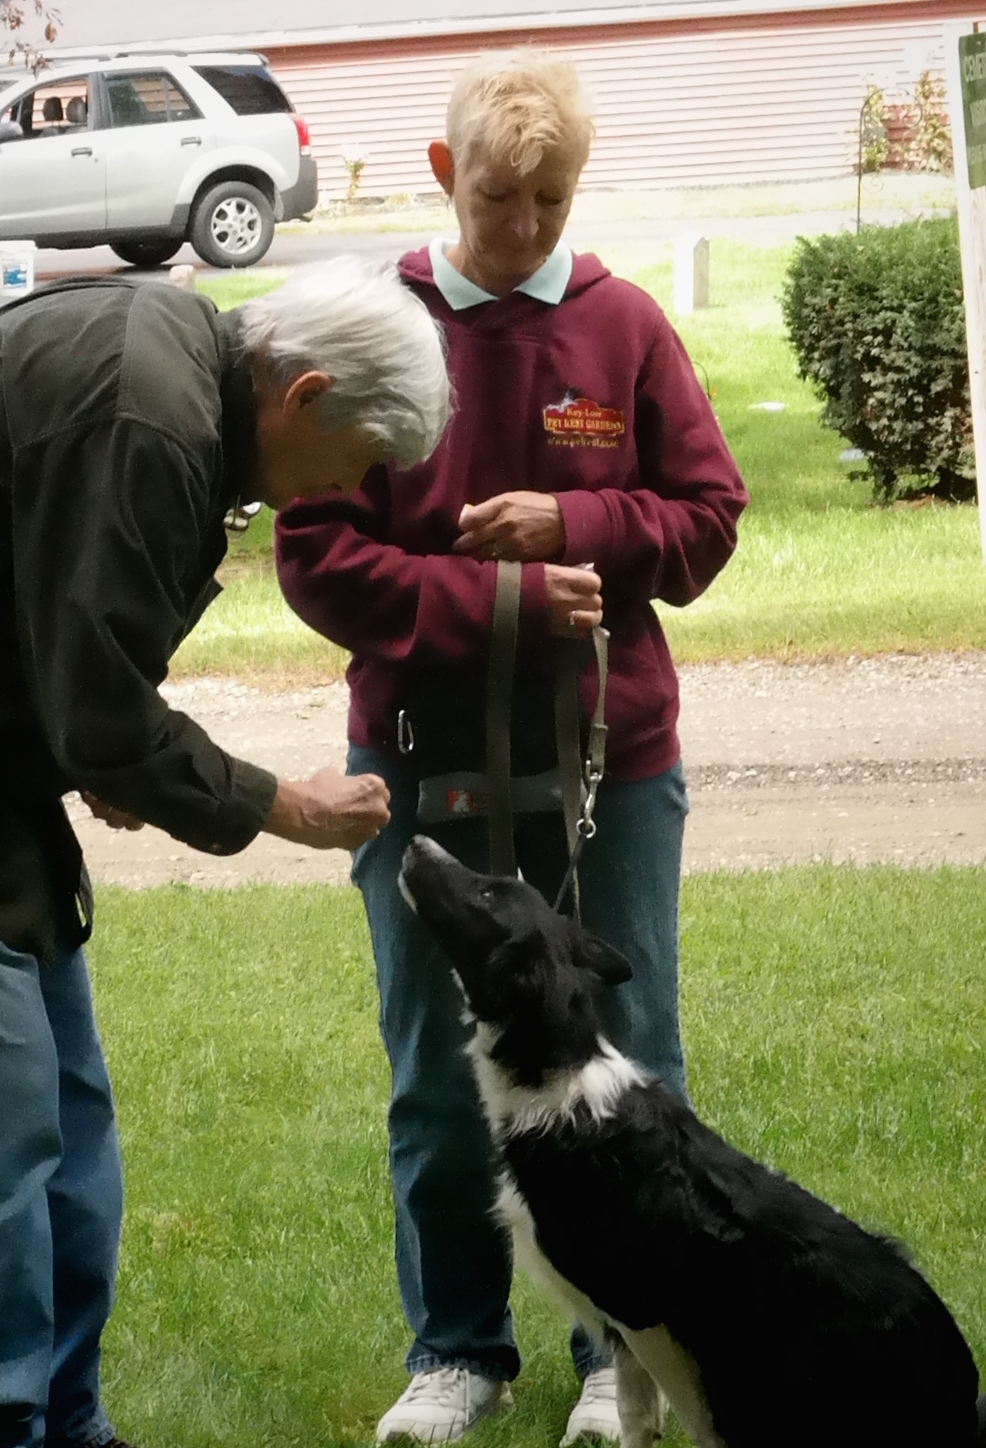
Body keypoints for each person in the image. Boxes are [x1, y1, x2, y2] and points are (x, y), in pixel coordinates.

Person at [0, 257, 449, 1448]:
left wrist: (98, 739)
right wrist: (282, 805)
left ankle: (65, 1421)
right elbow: (100, 712)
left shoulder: (176, 372)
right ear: (303, 393)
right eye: (359, 461)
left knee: (65, 1121)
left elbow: (69, 642)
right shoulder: (146, 412)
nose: (348, 492)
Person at [275, 52, 748, 1448]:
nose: (526, 225)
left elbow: (707, 519)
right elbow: (317, 556)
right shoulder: (379, 325)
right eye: (498, 199)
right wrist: (497, 598)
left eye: (552, 200)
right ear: (444, 173)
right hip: (416, 757)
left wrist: (578, 524)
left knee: (628, 1056)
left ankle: (622, 1356)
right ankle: (457, 1351)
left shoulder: (622, 326)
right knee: (436, 1071)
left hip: (611, 762)